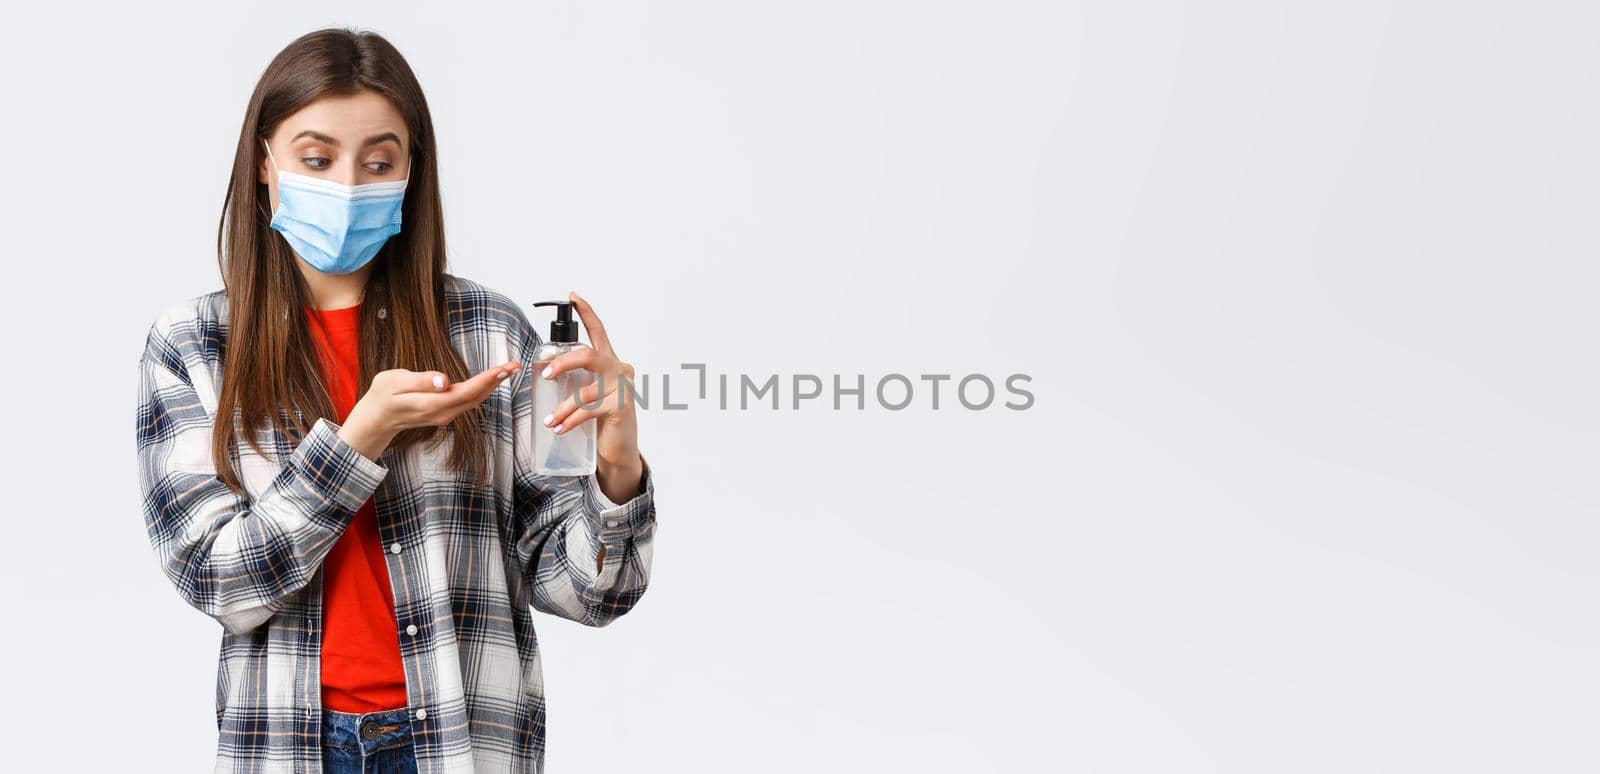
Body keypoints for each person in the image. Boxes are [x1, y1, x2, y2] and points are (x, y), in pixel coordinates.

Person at [134, 27, 656, 773]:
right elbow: (219, 581)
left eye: (379, 161)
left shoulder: (489, 334)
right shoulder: (193, 346)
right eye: (317, 159)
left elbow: (589, 594)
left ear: (412, 173)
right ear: (263, 162)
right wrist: (358, 440)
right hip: (289, 745)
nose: (347, 185)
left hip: (461, 742)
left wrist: (617, 466)